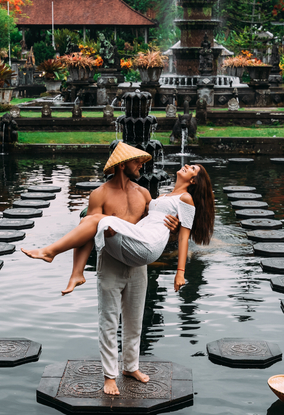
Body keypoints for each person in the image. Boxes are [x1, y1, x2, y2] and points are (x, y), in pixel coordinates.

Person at [22, 142, 216, 395]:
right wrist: (78, 269)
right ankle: (109, 375)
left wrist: (174, 228)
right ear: (123, 165)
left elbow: (155, 230)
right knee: (109, 320)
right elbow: (86, 234)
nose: (142, 166)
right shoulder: (99, 195)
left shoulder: (146, 195)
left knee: (135, 321)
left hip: (137, 260)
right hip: (111, 261)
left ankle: (131, 366)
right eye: (137, 162)